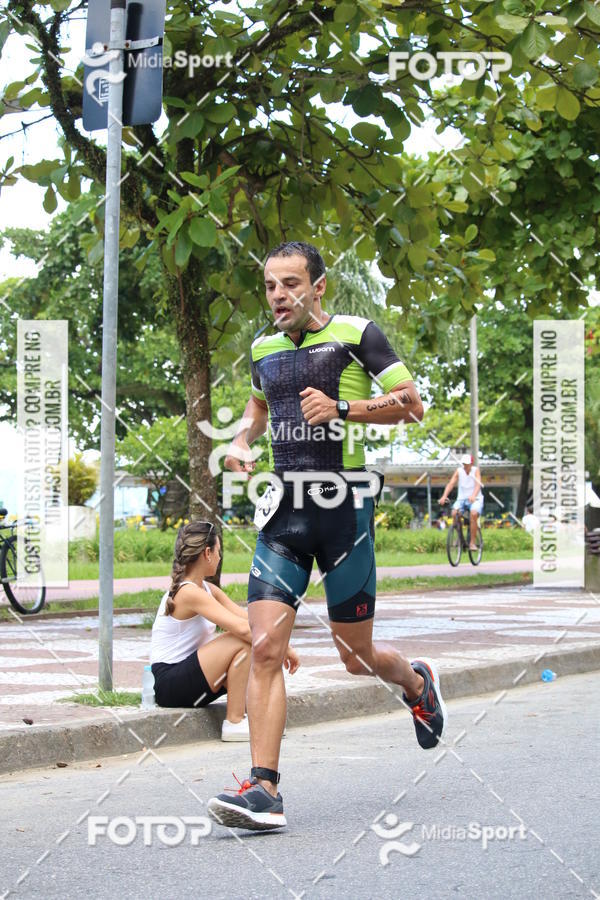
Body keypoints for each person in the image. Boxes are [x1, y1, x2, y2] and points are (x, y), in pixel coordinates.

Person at [207, 241, 447, 832]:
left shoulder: (355, 333)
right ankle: (264, 790)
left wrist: (343, 406)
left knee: (354, 656)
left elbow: (413, 405)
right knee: (263, 648)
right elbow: (259, 406)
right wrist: (241, 442)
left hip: (344, 513)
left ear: (317, 288)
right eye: (270, 286)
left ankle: (416, 682)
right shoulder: (262, 347)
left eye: (290, 284)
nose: (278, 295)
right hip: (286, 512)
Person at [150, 520, 284, 742]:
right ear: (207, 553)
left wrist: (280, 637)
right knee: (240, 640)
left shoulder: (208, 589)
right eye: (219, 551)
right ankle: (234, 722)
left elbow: (250, 620)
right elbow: (242, 628)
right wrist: (282, 648)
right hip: (169, 683)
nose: (220, 557)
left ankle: (255, 719)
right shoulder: (188, 593)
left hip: (190, 680)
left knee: (245, 646)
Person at [439, 453, 483, 550]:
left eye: (467, 464)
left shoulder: (475, 471)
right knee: (454, 513)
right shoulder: (459, 471)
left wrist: (473, 495)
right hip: (462, 499)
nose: (465, 466)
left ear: (471, 464)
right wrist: (444, 496)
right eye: (464, 464)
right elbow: (451, 484)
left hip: (475, 499)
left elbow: (478, 485)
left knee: (474, 513)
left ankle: (472, 543)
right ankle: (460, 539)